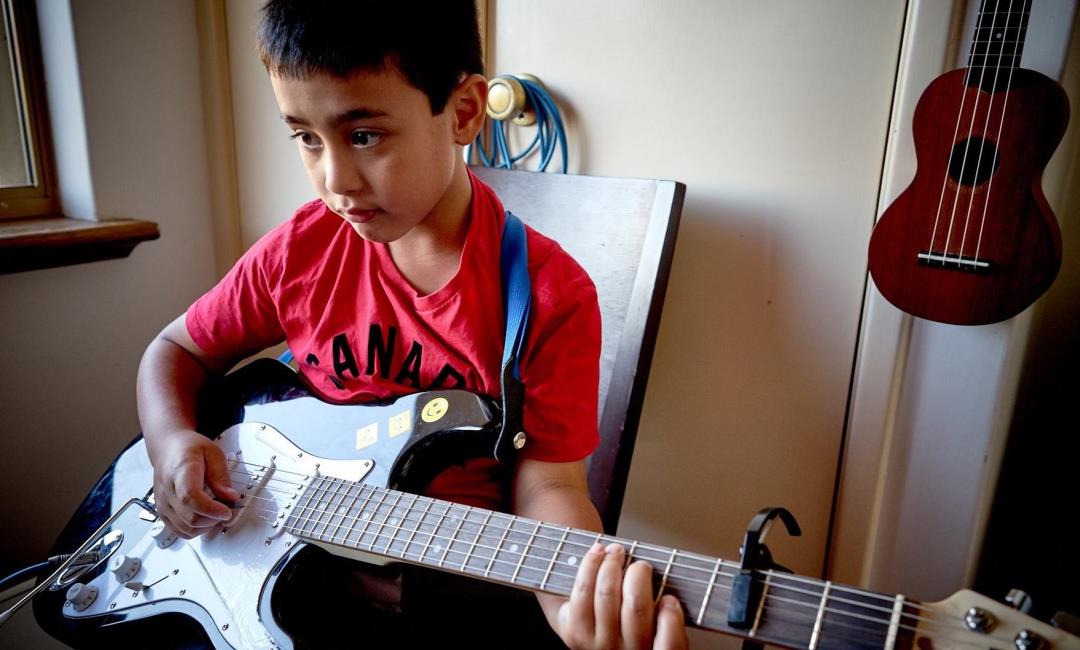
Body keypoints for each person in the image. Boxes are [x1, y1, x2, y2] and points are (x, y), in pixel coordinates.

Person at [136, 1, 687, 648]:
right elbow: (174, 349)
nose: (335, 181)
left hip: (448, 601)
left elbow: (548, 482)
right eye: (306, 138)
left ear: (463, 113)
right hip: (286, 576)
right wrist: (170, 442)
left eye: (364, 136)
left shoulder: (549, 295)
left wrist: (569, 599)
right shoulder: (299, 252)